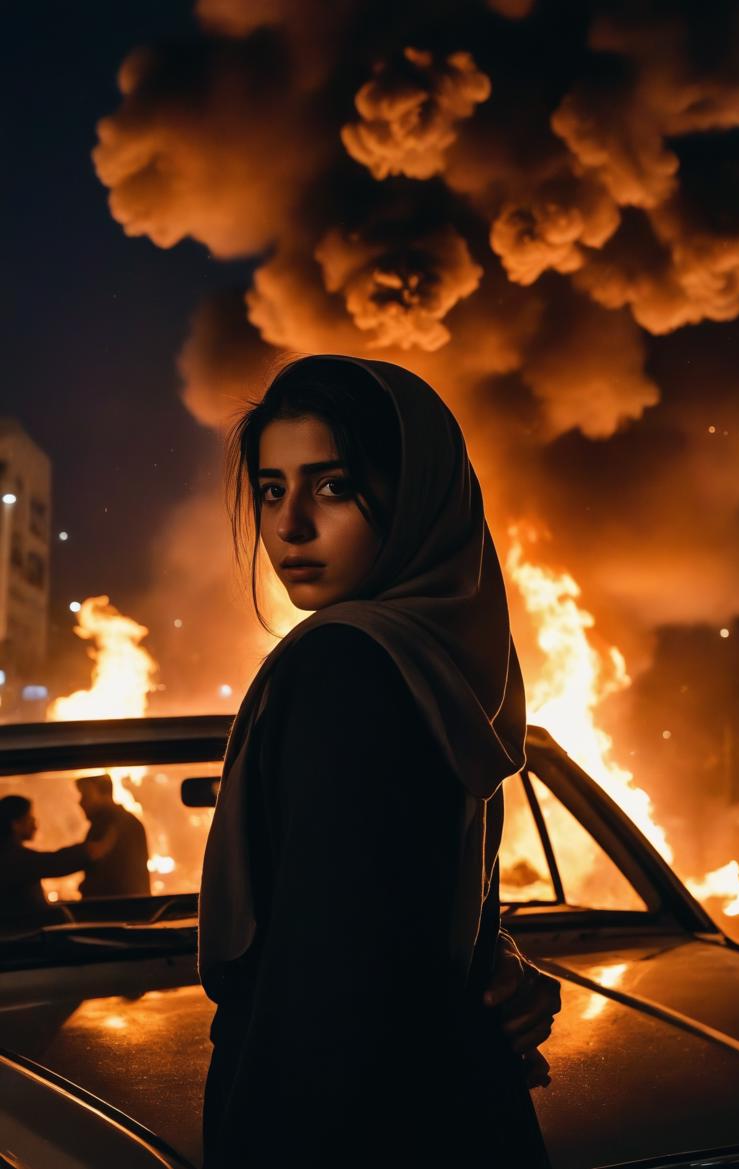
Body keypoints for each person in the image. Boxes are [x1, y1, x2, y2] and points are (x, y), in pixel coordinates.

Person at [199, 355, 560, 1168]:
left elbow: (326, 999)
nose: (290, 525)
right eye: (270, 488)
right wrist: (485, 963)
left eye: (332, 487)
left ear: (417, 492)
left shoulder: (343, 665)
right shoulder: (446, 664)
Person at [0, 794, 111, 919]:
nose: (35, 824)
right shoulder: (11, 857)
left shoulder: (10, 853)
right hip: (20, 932)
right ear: (15, 824)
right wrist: (88, 851)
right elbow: (53, 863)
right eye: (29, 818)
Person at [75, 774, 151, 898]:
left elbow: (106, 879)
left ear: (103, 793)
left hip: (112, 912)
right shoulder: (128, 821)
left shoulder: (106, 824)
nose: (80, 802)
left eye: (85, 795)